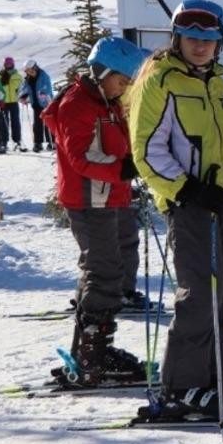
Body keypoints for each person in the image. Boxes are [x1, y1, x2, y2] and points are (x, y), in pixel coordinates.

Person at [129, 0, 223, 420]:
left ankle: (212, 376)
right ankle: (182, 386)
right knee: (200, 293)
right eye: (191, 38)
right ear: (176, 38)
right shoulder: (159, 81)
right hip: (191, 205)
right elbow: (147, 150)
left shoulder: (218, 83)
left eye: (208, 40)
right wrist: (186, 189)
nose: (199, 46)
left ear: (219, 43)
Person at [41, 38, 147, 387]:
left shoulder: (109, 102)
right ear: (101, 72)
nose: (125, 89)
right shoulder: (78, 104)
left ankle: (92, 349)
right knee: (104, 271)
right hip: (90, 200)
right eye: (122, 81)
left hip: (111, 197)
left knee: (109, 267)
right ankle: (93, 359)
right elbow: (82, 158)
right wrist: (124, 168)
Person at [19, 59, 55, 152]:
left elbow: (47, 87)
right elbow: (24, 88)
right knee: (37, 124)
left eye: (29, 70)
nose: (28, 72)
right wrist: (24, 95)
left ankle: (52, 142)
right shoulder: (27, 78)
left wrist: (43, 93)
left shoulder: (43, 75)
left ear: (34, 68)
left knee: (48, 123)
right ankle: (38, 143)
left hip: (45, 103)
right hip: (35, 103)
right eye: (27, 71)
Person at [0, 56, 24, 151]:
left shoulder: (18, 76)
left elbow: (22, 87)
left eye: (10, 64)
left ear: (13, 64)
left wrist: (22, 95)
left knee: (15, 121)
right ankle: (4, 141)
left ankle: (17, 141)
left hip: (14, 101)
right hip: (4, 101)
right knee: (4, 123)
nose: (8, 65)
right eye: (7, 64)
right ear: (4, 65)